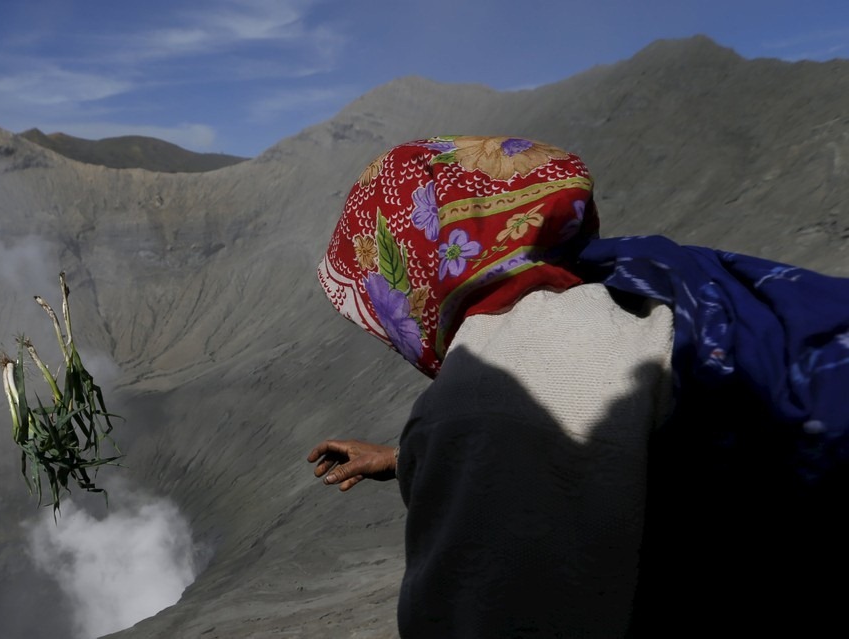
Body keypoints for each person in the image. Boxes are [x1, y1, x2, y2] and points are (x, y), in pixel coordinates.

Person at [308, 136, 849, 637]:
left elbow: (499, 614)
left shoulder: (493, 382)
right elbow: (595, 421)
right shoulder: (610, 283)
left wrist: (459, 436)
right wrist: (409, 456)